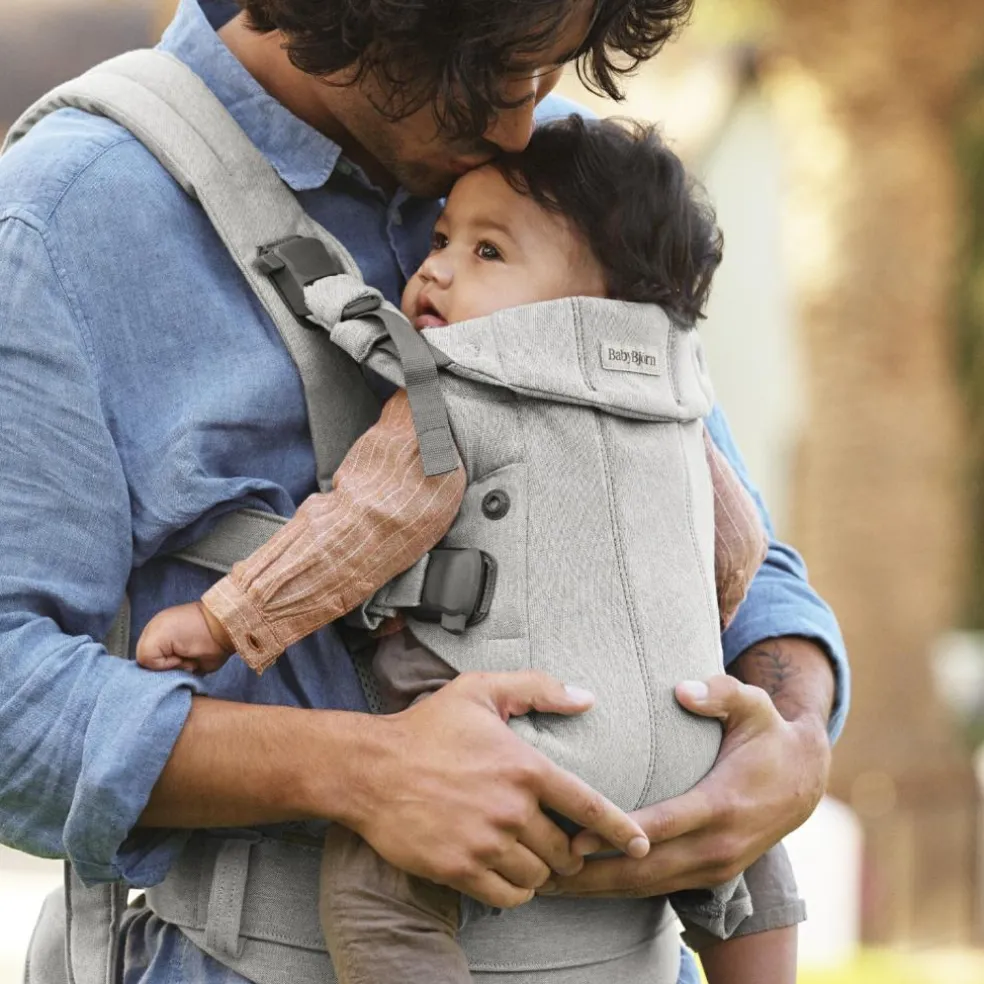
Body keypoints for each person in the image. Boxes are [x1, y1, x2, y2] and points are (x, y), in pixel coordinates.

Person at [0, 2, 847, 983]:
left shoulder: (570, 179)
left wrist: (791, 737)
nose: (521, 125)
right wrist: (361, 772)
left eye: (547, 72)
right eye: (491, 71)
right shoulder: (66, 215)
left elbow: (724, 542)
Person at [136, 115, 791, 984]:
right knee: (749, 860)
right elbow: (739, 546)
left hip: (519, 749)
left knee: (377, 889)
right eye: (443, 238)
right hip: (686, 741)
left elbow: (360, 525)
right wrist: (673, 649)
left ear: (599, 298)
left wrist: (226, 619)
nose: (436, 268)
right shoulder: (679, 411)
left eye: (488, 252)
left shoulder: (455, 392)